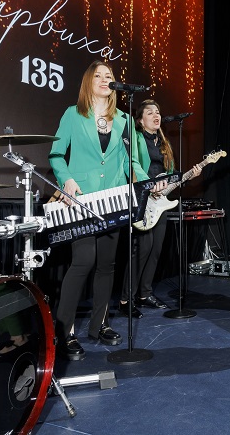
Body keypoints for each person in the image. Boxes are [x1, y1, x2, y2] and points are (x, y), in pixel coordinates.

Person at [49, 60, 137, 360]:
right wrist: (67, 180)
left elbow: (131, 161)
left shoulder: (125, 119)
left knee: (107, 265)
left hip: (113, 200)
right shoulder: (73, 114)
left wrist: (147, 184)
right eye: (98, 75)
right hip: (82, 199)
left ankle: (100, 325)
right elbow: (56, 154)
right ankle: (64, 330)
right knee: (83, 261)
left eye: (108, 75)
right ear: (88, 81)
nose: (103, 79)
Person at [118, 99, 202, 318]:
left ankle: (145, 294)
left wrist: (188, 175)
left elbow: (170, 174)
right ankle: (126, 299)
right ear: (140, 120)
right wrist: (149, 184)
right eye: (150, 113)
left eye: (158, 112)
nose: (156, 116)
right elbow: (132, 164)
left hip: (160, 202)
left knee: (155, 250)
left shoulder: (164, 144)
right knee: (141, 249)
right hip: (141, 198)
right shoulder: (136, 139)